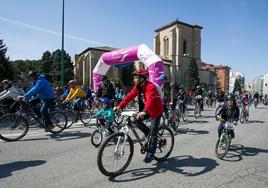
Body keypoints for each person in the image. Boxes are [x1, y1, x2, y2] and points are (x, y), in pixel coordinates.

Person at [115, 68, 163, 163]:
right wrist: (119, 107)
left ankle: (151, 154)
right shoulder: (137, 88)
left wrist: (144, 111)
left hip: (155, 111)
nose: (134, 79)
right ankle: (147, 133)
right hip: (146, 110)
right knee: (135, 120)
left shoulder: (150, 86)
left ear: (142, 78)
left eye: (136, 77)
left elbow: (150, 99)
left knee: (153, 131)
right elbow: (128, 97)